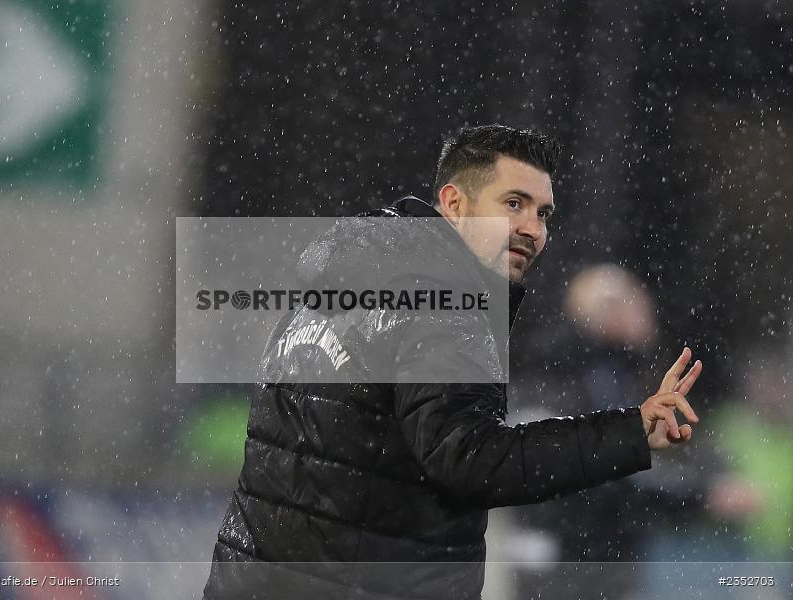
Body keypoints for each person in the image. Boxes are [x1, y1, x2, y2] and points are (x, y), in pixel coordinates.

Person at [202, 124, 703, 600]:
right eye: (513, 204)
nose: (532, 229)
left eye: (543, 213)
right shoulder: (444, 301)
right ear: (454, 203)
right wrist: (629, 432)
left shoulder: (342, 280)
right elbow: (471, 460)